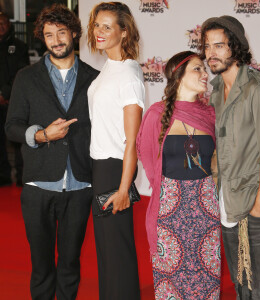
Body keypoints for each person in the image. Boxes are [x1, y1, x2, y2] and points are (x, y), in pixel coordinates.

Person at [5, 4, 98, 300]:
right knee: (42, 265)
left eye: (61, 32)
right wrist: (43, 134)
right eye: (48, 35)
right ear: (42, 39)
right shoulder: (26, 77)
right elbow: (12, 127)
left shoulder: (95, 78)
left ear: (73, 33)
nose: (56, 40)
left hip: (80, 185)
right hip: (38, 185)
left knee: (70, 264)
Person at [199, 15, 260, 299]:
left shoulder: (259, 89)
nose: (211, 53)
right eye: (207, 46)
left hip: (257, 200)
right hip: (228, 201)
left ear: (235, 48)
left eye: (219, 46)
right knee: (241, 282)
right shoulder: (212, 92)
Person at [136, 51, 220, 299]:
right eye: (197, 69)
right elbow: (150, 161)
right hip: (169, 211)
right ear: (179, 75)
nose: (205, 74)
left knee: (206, 278)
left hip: (206, 208)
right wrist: (168, 195)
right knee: (171, 281)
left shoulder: (211, 114)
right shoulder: (156, 114)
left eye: (205, 69)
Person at [87, 2, 144, 299]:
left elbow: (131, 141)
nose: (100, 31)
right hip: (101, 168)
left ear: (124, 32)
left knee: (117, 251)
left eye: (108, 26)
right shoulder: (110, 67)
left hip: (115, 170)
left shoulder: (129, 75)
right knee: (108, 254)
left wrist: (124, 189)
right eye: (98, 24)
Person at [0, 12, 29, 186]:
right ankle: (2, 176)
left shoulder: (20, 47)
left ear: (9, 25)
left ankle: (21, 177)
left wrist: (4, 94)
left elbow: (21, 74)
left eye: (3, 23)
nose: (0, 26)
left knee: (17, 141)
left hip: (12, 101)